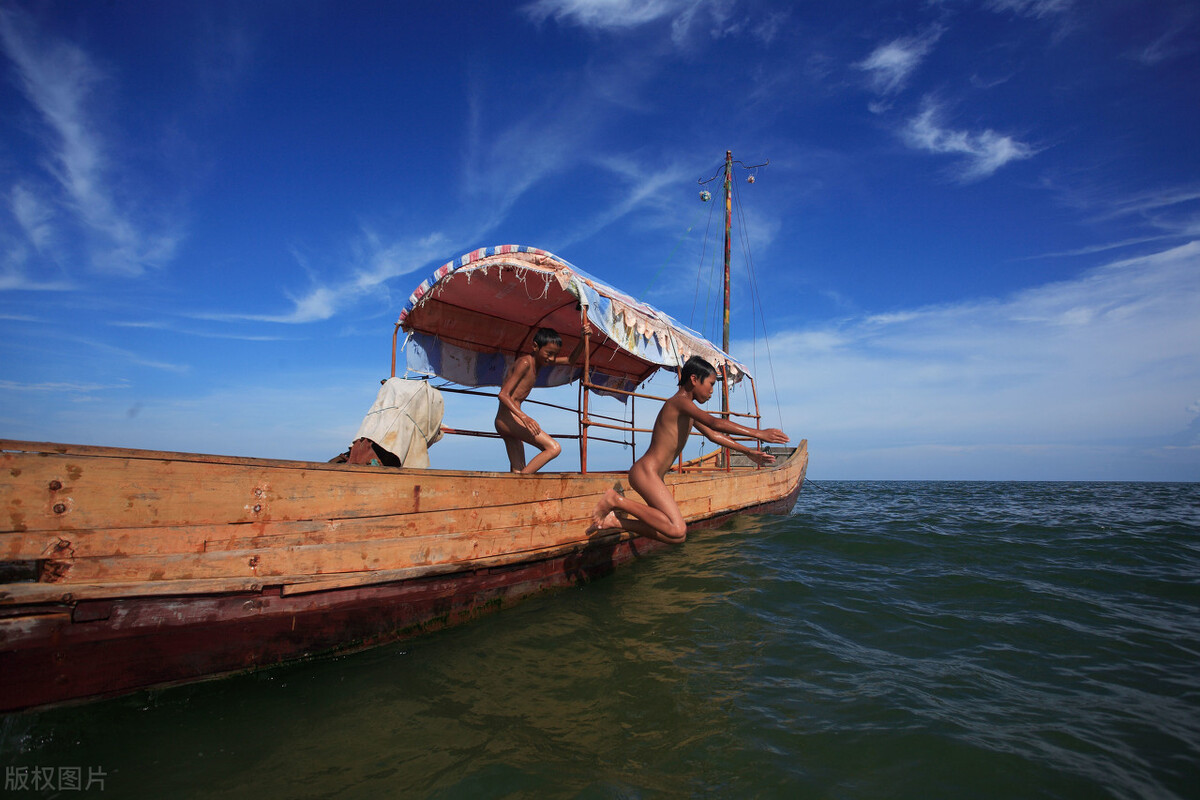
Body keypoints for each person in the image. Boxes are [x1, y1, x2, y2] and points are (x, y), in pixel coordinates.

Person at [589, 355, 788, 544]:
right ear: (694, 379)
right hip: (645, 472)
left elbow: (713, 434)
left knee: (675, 536)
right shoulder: (678, 403)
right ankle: (615, 500)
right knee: (677, 528)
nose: (711, 391)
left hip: (654, 476)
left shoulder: (687, 409)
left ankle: (614, 522)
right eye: (710, 384)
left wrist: (748, 451)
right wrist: (759, 433)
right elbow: (714, 422)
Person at [495, 323, 592, 473]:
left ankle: (519, 487)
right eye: (548, 353)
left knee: (518, 470)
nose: (551, 358)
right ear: (535, 346)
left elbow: (570, 360)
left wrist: (582, 339)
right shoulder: (525, 362)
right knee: (553, 448)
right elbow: (503, 394)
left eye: (555, 354)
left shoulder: (541, 361)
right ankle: (524, 481)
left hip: (508, 418)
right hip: (510, 418)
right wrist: (525, 418)